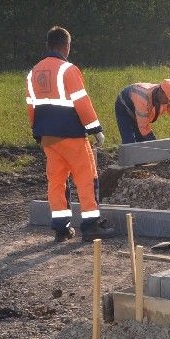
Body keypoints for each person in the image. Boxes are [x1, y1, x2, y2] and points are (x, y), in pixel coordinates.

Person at [26, 26, 117, 241]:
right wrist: (96, 129)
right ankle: (91, 226)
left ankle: (61, 228)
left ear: (48, 45)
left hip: (48, 137)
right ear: (66, 46)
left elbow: (31, 106)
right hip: (72, 135)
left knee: (56, 181)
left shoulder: (33, 73)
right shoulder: (68, 70)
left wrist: (36, 131)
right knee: (86, 178)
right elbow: (81, 102)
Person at [115, 79, 170, 144]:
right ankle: (129, 161)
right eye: (167, 98)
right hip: (124, 106)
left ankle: (139, 161)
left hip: (139, 111)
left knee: (142, 143)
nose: (168, 101)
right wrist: (155, 143)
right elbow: (143, 125)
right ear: (160, 91)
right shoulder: (143, 97)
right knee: (129, 141)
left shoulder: (168, 98)